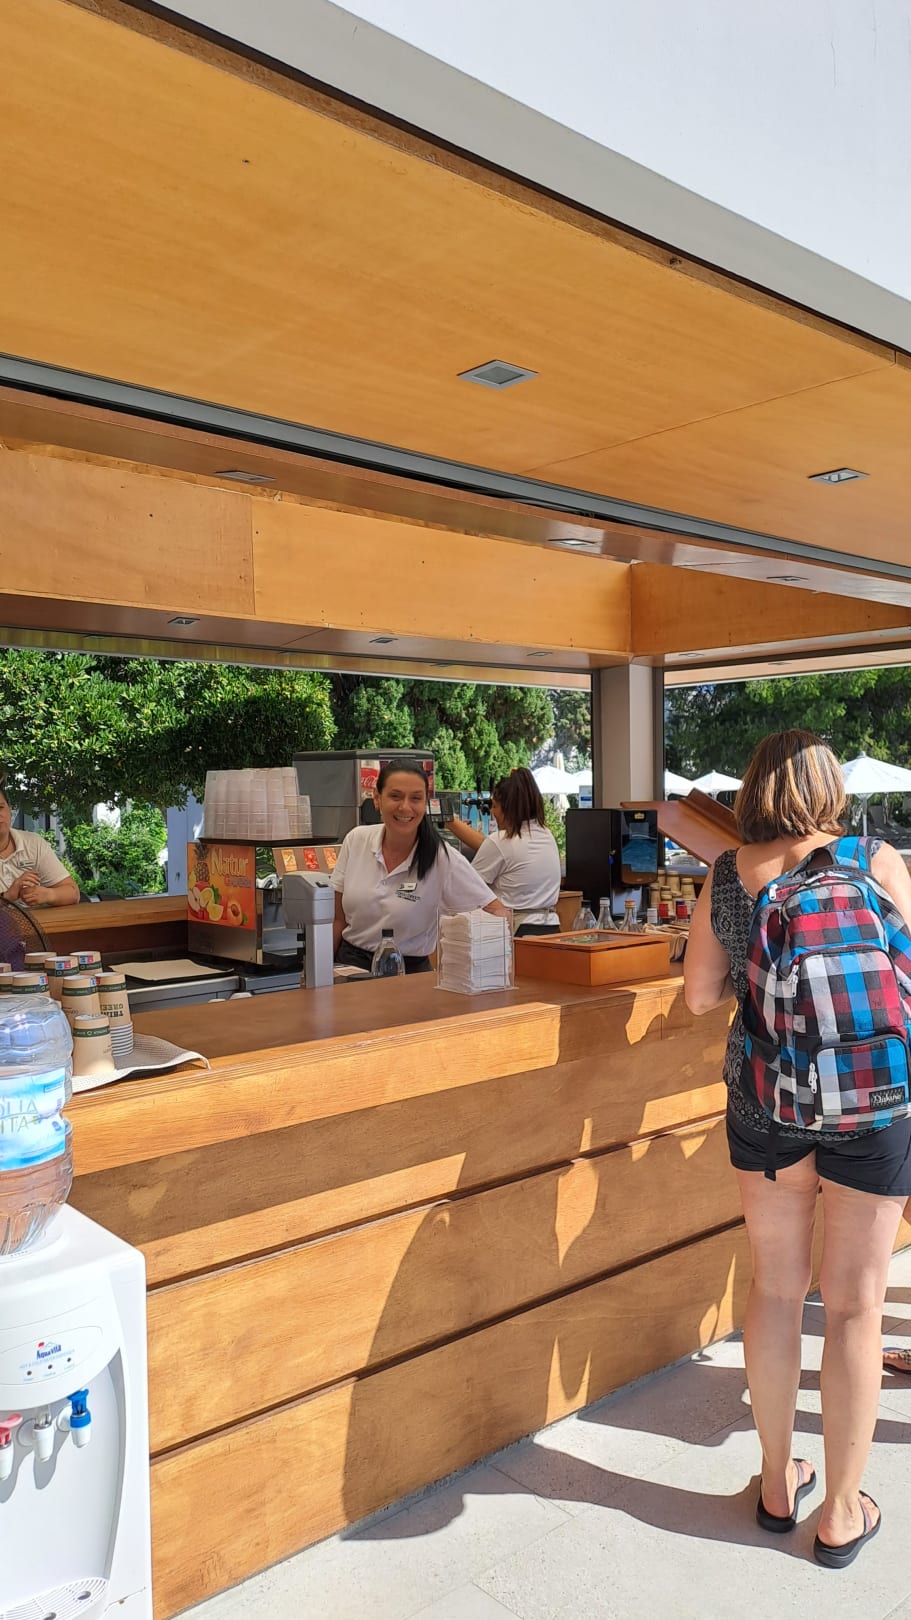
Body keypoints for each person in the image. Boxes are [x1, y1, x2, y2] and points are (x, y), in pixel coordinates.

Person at [684, 730, 911, 1568]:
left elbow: (697, 996)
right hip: (873, 1105)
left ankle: (778, 1485)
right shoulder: (876, 860)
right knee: (854, 1308)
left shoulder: (727, 873)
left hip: (766, 1103)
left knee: (777, 1293)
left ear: (750, 791)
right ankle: (843, 1512)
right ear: (828, 788)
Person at [331, 762, 509, 974]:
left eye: (415, 798)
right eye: (395, 796)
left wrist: (465, 963)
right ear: (377, 798)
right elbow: (337, 920)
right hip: (350, 970)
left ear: (426, 803)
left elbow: (498, 912)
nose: (405, 807)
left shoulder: (442, 858)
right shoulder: (356, 840)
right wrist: (321, 973)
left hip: (409, 976)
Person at [445, 768, 562, 936]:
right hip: (551, 926)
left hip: (516, 930)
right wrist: (451, 822)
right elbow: (492, 848)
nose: (492, 812)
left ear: (508, 808)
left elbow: (468, 887)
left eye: (494, 806)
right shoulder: (546, 834)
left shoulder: (501, 841)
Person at [0, 790, 79, 907]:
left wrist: (48, 895)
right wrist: (8, 896)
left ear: (10, 809)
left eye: (0, 807)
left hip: (36, 919)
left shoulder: (33, 843)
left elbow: (73, 893)